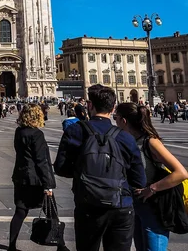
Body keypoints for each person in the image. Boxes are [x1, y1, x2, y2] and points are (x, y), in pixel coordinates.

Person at [54, 85, 146, 251]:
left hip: (88, 204)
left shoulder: (75, 131)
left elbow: (61, 168)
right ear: (113, 108)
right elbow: (139, 179)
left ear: (90, 105)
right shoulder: (125, 137)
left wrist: (84, 173)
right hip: (121, 205)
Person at [115, 102, 188, 251]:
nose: (114, 120)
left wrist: (152, 189)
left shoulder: (150, 142)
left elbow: (181, 173)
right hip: (138, 206)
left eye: (116, 117)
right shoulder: (129, 142)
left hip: (154, 206)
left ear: (123, 121)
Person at [8, 104, 69, 251]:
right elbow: (41, 161)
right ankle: (61, 246)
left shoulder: (19, 132)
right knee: (52, 212)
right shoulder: (36, 134)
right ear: (37, 116)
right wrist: (48, 185)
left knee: (20, 211)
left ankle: (11, 246)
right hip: (36, 180)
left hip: (21, 177)